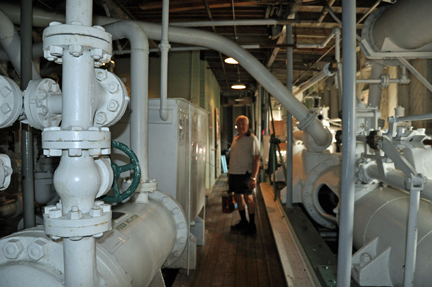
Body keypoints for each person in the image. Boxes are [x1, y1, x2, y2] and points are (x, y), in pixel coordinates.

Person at [228, 115, 260, 236]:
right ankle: (243, 222)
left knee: (248, 198)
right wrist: (229, 175)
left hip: (245, 174)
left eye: (243, 123)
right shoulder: (236, 138)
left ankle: (252, 226)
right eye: (238, 124)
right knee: (237, 197)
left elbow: (256, 159)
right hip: (234, 173)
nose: (240, 126)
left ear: (248, 125)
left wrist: (253, 177)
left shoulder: (252, 139)